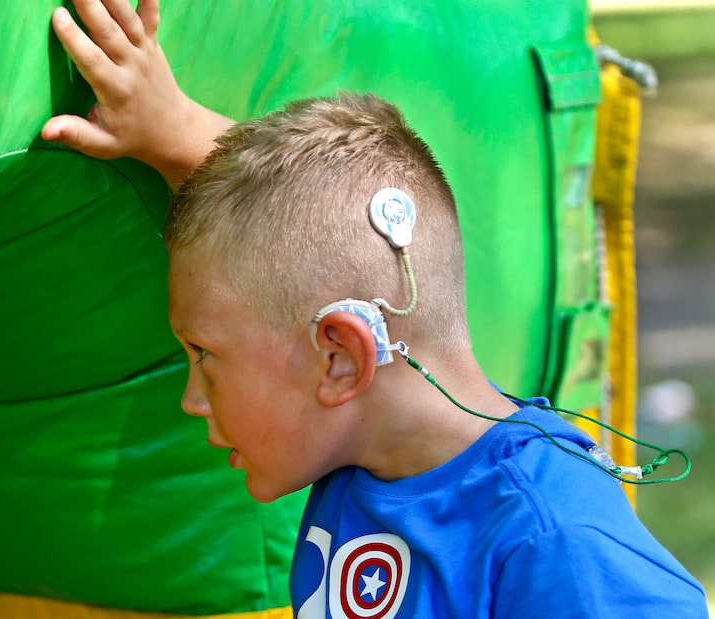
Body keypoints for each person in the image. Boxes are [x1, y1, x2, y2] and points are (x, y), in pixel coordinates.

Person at [43, 1, 709, 616]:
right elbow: (302, 230)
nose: (193, 397)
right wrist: (174, 130)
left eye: (205, 356)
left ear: (339, 357)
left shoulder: (551, 542)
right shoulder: (369, 446)